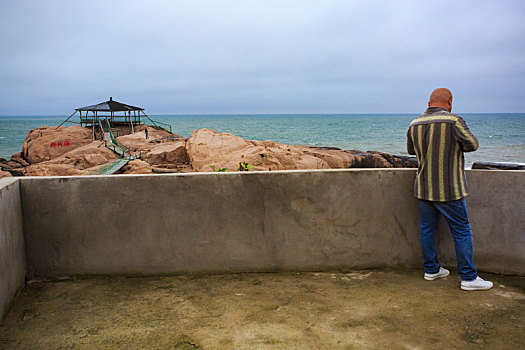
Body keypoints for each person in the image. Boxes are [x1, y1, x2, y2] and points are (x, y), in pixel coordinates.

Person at [406, 88, 493, 291]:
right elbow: (472, 145)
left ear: (429, 103)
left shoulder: (414, 124)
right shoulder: (454, 121)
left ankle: (432, 269)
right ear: (450, 102)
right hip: (449, 188)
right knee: (462, 230)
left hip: (424, 187)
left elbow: (411, 151)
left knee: (427, 229)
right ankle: (469, 278)